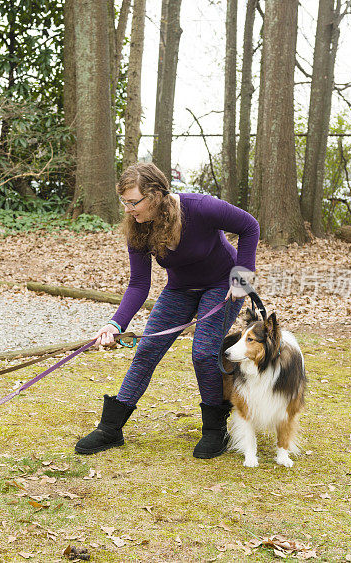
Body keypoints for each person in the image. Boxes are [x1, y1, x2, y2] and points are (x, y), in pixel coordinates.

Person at [75, 162, 260, 459]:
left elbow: (249, 226)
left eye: (133, 202)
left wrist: (243, 277)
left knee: (203, 352)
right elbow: (138, 284)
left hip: (223, 286)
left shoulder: (200, 208)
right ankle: (111, 428)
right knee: (147, 349)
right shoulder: (138, 227)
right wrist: (115, 324)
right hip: (179, 289)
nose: (128, 210)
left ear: (157, 194)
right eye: (124, 202)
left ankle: (215, 430)